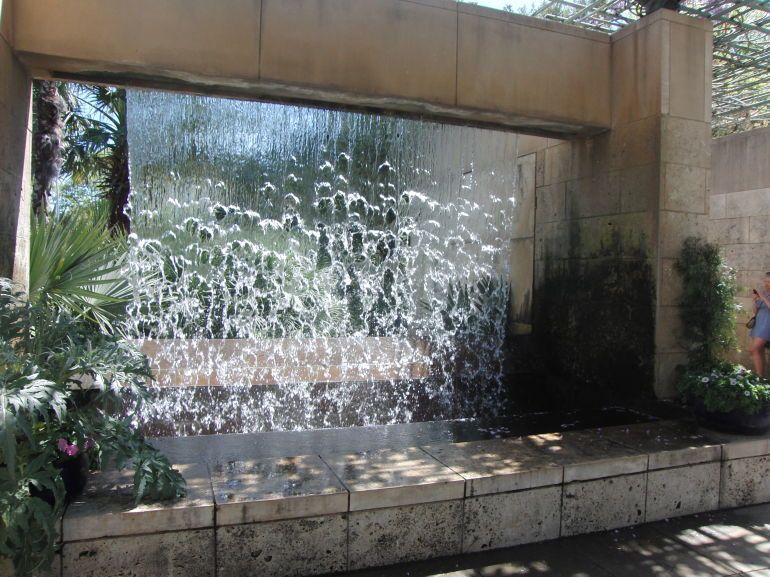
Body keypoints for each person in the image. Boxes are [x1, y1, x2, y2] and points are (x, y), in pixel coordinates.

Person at [749, 272, 770, 376]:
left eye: (769, 282)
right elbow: (755, 311)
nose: (766, 284)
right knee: (759, 351)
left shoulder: (764, 295)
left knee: (753, 349)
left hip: (767, 326)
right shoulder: (765, 293)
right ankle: (761, 376)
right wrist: (754, 300)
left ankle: (760, 377)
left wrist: (763, 297)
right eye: (765, 281)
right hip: (759, 324)